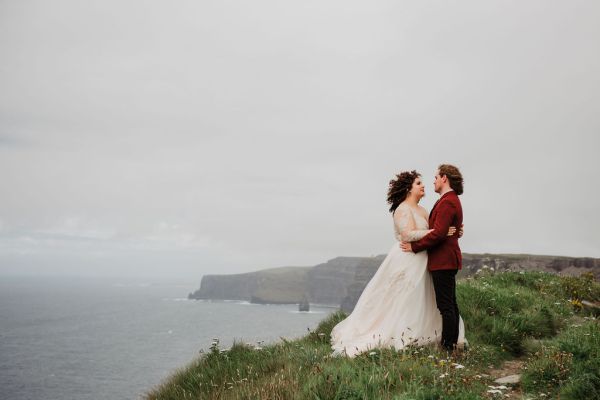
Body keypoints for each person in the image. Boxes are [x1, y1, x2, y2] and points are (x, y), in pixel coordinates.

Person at [330, 170, 466, 357]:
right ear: (409, 189)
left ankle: (430, 336)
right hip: (407, 256)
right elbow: (407, 235)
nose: (423, 185)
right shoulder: (402, 209)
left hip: (424, 257)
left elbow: (438, 230)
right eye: (419, 183)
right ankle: (402, 334)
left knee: (425, 299)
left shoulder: (424, 210)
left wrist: (453, 230)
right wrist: (439, 231)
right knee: (404, 298)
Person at [400, 164, 464, 352]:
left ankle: (448, 346)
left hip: (443, 260)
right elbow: (442, 231)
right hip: (446, 259)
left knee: (446, 306)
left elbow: (438, 234)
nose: (433, 181)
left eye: (436, 177)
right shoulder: (449, 200)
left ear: (444, 178)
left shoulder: (447, 201)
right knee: (450, 304)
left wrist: (414, 247)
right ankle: (451, 343)